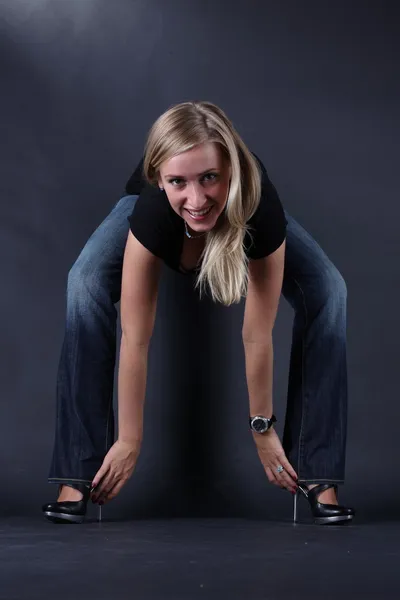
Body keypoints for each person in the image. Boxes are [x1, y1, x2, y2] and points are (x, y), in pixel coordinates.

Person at [42, 101, 354, 525]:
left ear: (232, 170)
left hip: (242, 210)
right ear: (160, 179)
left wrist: (261, 429)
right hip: (153, 213)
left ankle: (318, 474)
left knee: (329, 290)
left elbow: (257, 335)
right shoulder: (153, 207)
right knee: (84, 283)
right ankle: (78, 475)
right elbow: (137, 337)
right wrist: (130, 438)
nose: (197, 198)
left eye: (210, 177)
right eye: (178, 182)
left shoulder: (257, 204)